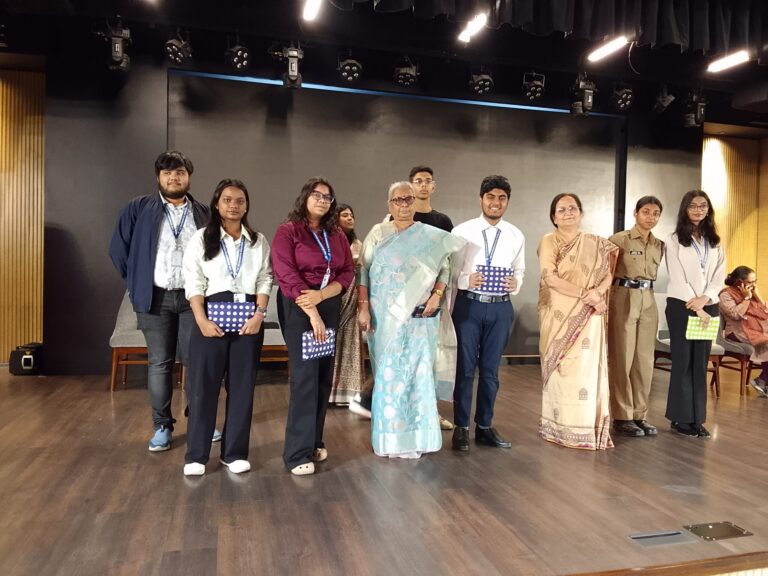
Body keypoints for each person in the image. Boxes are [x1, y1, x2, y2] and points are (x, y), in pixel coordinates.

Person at [110, 150, 218, 452]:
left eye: (180, 172)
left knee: (197, 363)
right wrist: (138, 280)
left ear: (188, 177)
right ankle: (162, 426)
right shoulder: (138, 208)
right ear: (158, 177)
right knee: (160, 363)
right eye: (167, 172)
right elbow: (118, 249)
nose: (174, 178)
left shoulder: (203, 212)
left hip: (194, 299)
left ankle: (200, 421)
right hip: (155, 298)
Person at [357, 182, 465, 459]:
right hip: (385, 319)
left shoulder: (430, 236)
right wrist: (363, 308)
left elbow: (445, 268)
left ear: (415, 202)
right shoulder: (378, 233)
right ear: (389, 205)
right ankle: (390, 439)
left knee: (418, 374)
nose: (403, 204)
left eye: (408, 199)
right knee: (389, 375)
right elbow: (363, 271)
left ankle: (419, 436)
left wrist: (436, 296)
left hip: (420, 317)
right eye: (397, 200)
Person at [181, 179, 272, 476]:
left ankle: (234, 453)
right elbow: (193, 282)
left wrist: (259, 315)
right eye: (228, 200)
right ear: (217, 204)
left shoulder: (258, 241)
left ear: (247, 206)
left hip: (248, 320)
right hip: (211, 318)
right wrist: (201, 321)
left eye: (240, 201)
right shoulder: (201, 239)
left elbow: (265, 279)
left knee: (243, 388)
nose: (234, 205)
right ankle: (196, 455)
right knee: (203, 388)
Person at [272, 178, 355, 475]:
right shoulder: (288, 231)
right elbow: (286, 275)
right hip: (299, 307)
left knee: (322, 377)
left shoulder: (336, 234)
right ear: (305, 197)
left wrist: (324, 295)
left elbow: (347, 271)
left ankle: (314, 441)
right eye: (316, 195)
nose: (322, 200)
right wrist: (313, 313)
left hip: (328, 303)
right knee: (305, 378)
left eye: (328, 197)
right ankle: (296, 454)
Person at [537, 193, 618, 450]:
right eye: (561, 210)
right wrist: (587, 294)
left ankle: (586, 428)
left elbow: (608, 274)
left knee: (586, 370)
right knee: (564, 368)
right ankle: (560, 428)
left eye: (572, 208)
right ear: (553, 217)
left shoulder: (596, 243)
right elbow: (550, 278)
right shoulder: (549, 240)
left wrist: (598, 294)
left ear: (581, 213)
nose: (568, 213)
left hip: (591, 314)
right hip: (558, 314)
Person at [450, 175, 525, 451]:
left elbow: (520, 269)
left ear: (507, 201)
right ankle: (461, 427)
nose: (496, 202)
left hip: (501, 307)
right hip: (468, 305)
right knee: (465, 369)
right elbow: (449, 270)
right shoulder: (462, 231)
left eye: (502, 198)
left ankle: (484, 426)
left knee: (491, 370)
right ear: (481, 199)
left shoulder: (516, 234)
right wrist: (464, 280)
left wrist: (517, 283)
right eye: (490, 197)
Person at [664, 190, 725, 438]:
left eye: (703, 205)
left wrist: (706, 299)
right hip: (682, 306)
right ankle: (680, 418)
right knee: (683, 362)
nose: (698, 209)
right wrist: (697, 306)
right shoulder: (673, 240)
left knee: (700, 363)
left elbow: (720, 275)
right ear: (685, 209)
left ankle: (697, 419)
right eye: (693, 206)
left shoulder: (715, 241)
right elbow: (677, 276)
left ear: (708, 209)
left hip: (709, 307)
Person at [607, 196, 664, 437]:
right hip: (623, 296)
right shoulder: (618, 240)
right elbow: (605, 273)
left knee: (644, 360)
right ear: (636, 213)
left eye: (655, 213)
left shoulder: (659, 244)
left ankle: (640, 414)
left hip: (648, 298)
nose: (651, 217)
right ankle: (622, 416)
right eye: (646, 212)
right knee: (622, 358)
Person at [329, 204, 364, 405]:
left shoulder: (359, 245)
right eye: (345, 215)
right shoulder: (329, 241)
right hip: (335, 298)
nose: (350, 218)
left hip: (353, 301)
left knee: (350, 343)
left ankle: (348, 395)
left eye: (352, 215)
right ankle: (328, 392)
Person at [719, 266, 768, 395]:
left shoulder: (752, 292)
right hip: (737, 332)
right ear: (739, 282)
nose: (753, 285)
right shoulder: (725, 294)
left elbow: (765, 313)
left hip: (755, 329)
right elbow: (735, 315)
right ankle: (762, 381)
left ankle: (762, 380)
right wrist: (746, 299)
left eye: (755, 281)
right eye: (750, 282)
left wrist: (757, 295)